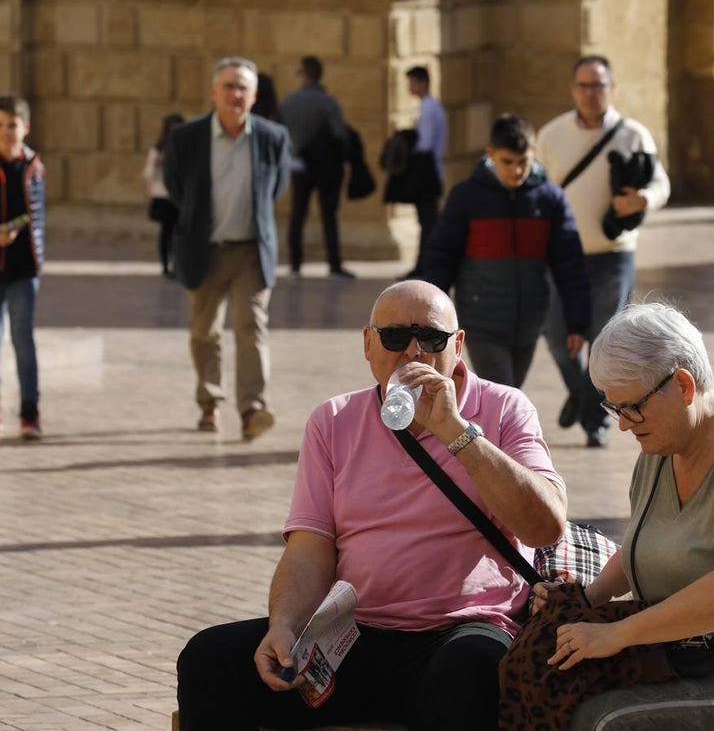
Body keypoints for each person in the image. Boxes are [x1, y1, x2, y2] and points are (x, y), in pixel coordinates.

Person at [175, 280, 567, 731]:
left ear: (457, 346)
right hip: (356, 635)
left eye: (432, 339)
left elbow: (545, 527)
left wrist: (456, 432)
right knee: (210, 658)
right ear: (368, 343)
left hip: (464, 628)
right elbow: (310, 547)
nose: (413, 353)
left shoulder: (504, 407)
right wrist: (284, 626)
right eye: (395, 337)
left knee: (470, 668)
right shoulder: (334, 420)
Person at [523, 302, 714, 730]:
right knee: (549, 684)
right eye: (613, 408)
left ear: (683, 385)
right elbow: (642, 548)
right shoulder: (662, 445)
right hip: (687, 661)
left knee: (604, 721)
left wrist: (618, 634)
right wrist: (581, 601)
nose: (624, 426)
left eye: (631, 407)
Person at [536, 55, 671, 448]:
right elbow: (537, 189)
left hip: (613, 253)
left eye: (597, 85)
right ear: (572, 90)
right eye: (583, 86)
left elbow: (661, 182)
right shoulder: (551, 135)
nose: (590, 94)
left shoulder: (634, 134)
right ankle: (583, 395)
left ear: (612, 88)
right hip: (560, 256)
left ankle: (595, 420)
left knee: (604, 339)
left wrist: (642, 199)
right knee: (558, 336)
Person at [163, 57, 292, 440]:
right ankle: (209, 402)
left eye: (243, 88)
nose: (236, 94)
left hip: (251, 252)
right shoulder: (187, 139)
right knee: (205, 331)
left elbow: (276, 188)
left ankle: (252, 409)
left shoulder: (272, 138)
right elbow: (175, 187)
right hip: (204, 250)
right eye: (229, 86)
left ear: (254, 96)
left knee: (251, 327)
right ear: (214, 92)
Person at [422, 114, 590, 388]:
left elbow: (570, 264)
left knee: (508, 396)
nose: (516, 171)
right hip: (481, 320)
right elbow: (440, 258)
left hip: (529, 323)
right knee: (501, 395)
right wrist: (430, 322)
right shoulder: (466, 197)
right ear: (491, 155)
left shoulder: (550, 199)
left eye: (523, 161)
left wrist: (577, 323)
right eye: (507, 162)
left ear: (533, 154)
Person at [279, 55, 354, 280]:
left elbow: (280, 132)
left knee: (297, 214)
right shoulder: (328, 103)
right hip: (325, 166)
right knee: (329, 215)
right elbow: (340, 133)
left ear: (303, 75)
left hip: (298, 164)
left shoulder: (288, 102)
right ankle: (333, 263)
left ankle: (294, 264)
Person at [0, 95, 45, 441]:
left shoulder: (33, 166)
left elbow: (37, 216)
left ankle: (30, 412)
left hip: (22, 269)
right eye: (0, 126)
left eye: (12, 125)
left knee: (22, 339)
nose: (5, 132)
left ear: (25, 127)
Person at [402, 65, 447, 280]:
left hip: (427, 171)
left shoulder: (429, 108)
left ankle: (426, 264)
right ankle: (423, 263)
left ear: (422, 82)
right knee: (426, 220)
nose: (409, 87)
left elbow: (425, 145)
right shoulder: (427, 107)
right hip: (428, 170)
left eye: (412, 82)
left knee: (428, 220)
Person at [142, 112, 183, 279]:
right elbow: (148, 174)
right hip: (163, 195)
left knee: (179, 233)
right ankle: (166, 264)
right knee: (167, 232)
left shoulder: (186, 149)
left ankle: (178, 264)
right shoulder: (157, 150)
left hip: (180, 195)